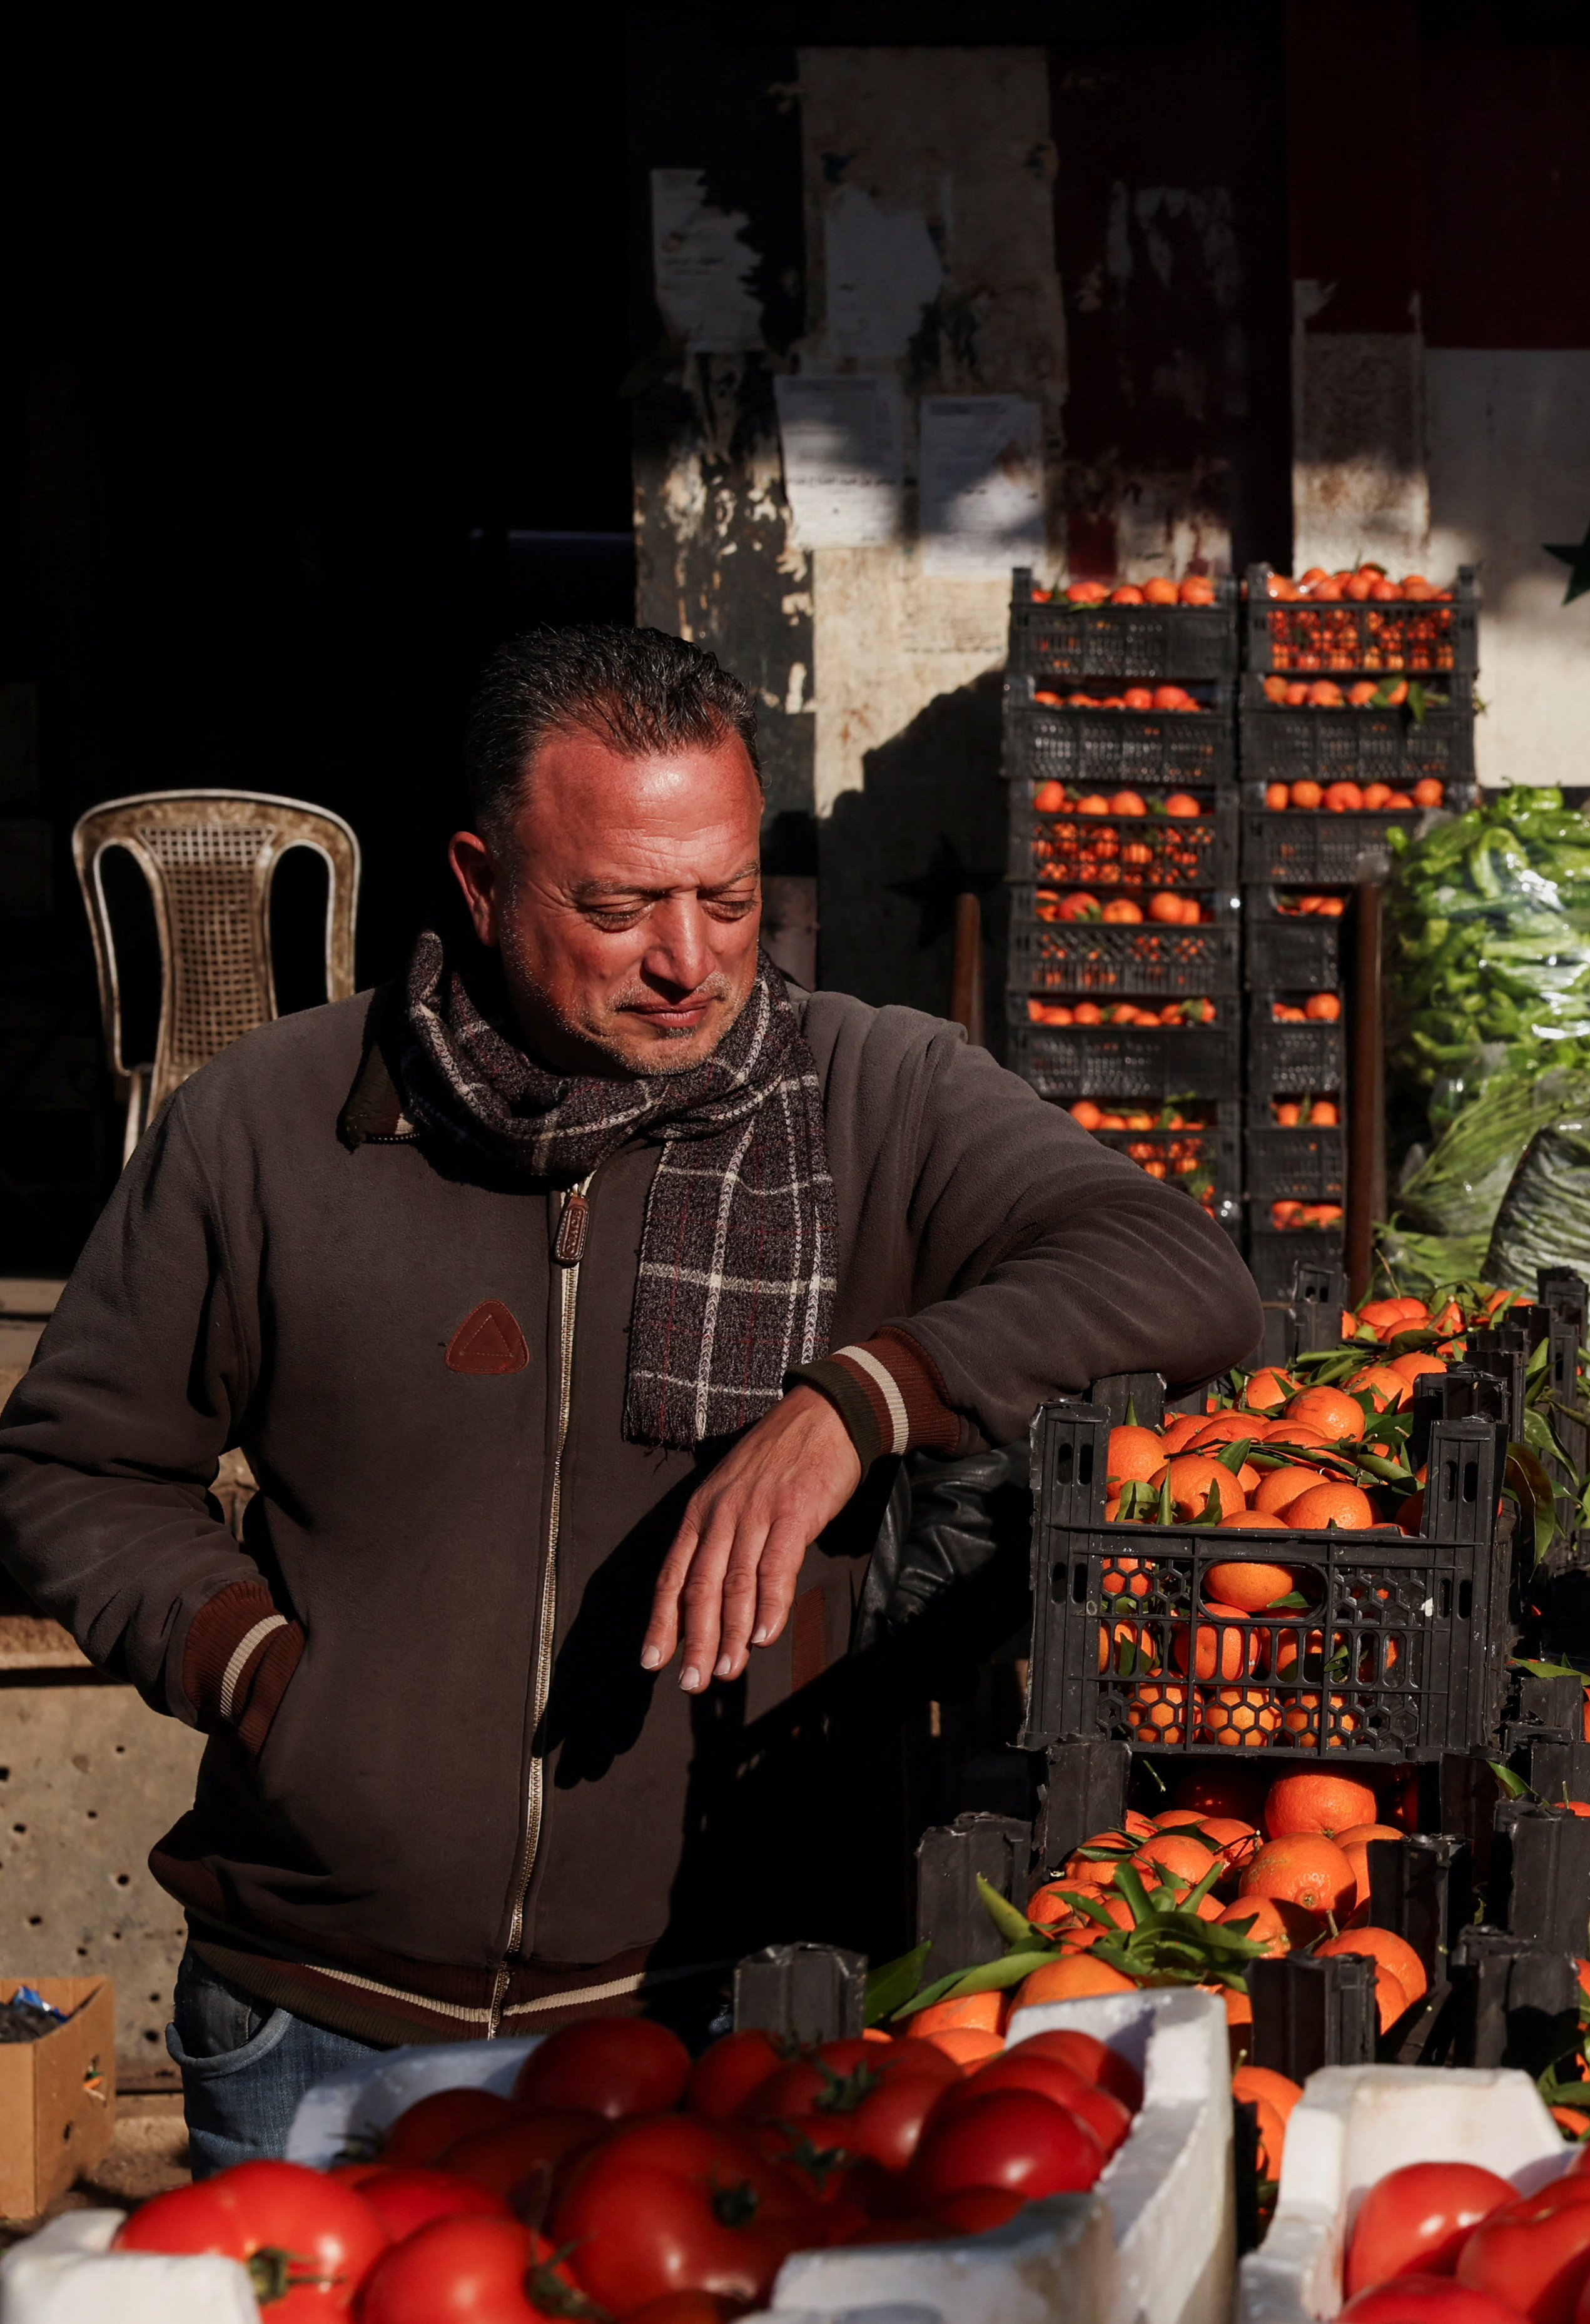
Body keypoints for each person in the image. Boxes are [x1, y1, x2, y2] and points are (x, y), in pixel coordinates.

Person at [0, 627, 1261, 2171]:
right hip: (319, 2019)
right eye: (619, 906)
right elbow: (75, 1464)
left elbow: (1182, 1271)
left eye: (726, 897)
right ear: (478, 881)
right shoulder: (270, 1124)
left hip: (729, 2017)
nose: (690, 958)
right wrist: (261, 1671)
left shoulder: (869, 1091)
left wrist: (860, 1396)